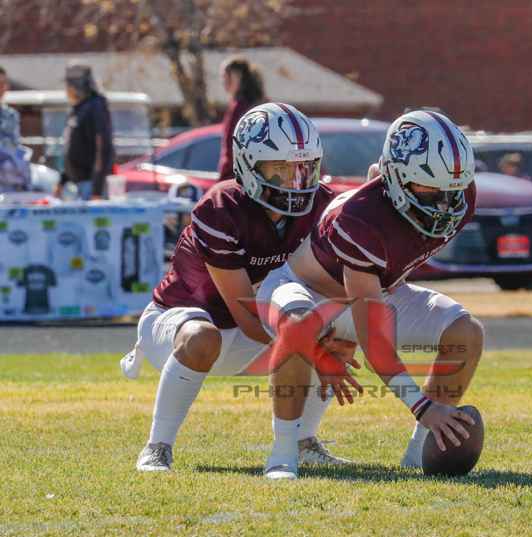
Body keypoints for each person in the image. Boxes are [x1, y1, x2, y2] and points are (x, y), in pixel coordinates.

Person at [120, 103, 352, 472]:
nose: (294, 181)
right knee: (204, 337)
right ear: (249, 166)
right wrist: (313, 347)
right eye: (279, 169)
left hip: (252, 334)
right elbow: (245, 315)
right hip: (183, 323)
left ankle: (304, 440)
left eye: (303, 168)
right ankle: (157, 446)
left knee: (339, 323)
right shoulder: (222, 208)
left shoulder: (321, 205)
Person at [257, 110, 485, 480]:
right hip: (306, 290)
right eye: (429, 189)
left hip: (374, 288)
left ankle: (419, 455)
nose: (444, 204)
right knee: (298, 326)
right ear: (395, 178)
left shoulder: (463, 197)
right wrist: (422, 406)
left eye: (451, 191)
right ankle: (283, 453)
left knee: (466, 332)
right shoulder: (359, 219)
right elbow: (374, 338)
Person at [55, 64, 114, 201]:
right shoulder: (78, 109)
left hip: (91, 185)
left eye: (69, 85)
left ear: (77, 86)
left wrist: (97, 189)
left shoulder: (96, 106)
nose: (67, 90)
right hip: (77, 185)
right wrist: (62, 181)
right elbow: (73, 149)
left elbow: (102, 147)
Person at [218, 56, 265, 181]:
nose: (223, 82)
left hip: (238, 176)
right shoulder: (259, 103)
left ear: (237, 77)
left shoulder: (239, 107)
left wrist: (224, 177)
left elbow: (231, 147)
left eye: (225, 77)